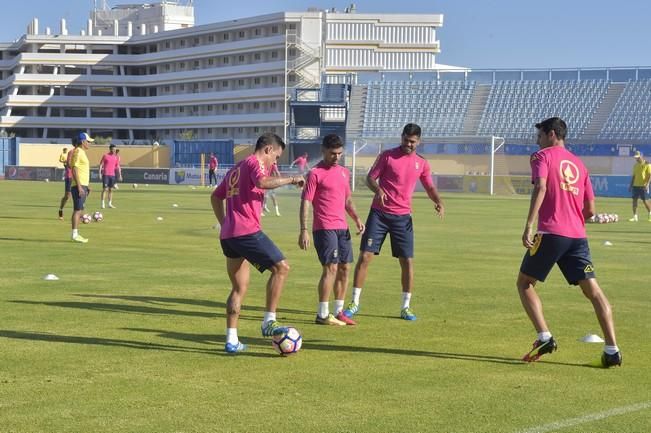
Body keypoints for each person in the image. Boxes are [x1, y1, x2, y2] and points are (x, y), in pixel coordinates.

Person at [518, 117, 621, 368]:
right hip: (577, 237)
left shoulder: (541, 157)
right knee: (594, 292)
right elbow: (590, 209)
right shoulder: (580, 165)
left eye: (540, 135)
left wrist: (529, 224)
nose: (537, 140)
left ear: (552, 134)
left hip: (550, 233)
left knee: (524, 283)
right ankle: (612, 350)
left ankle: (544, 336)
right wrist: (575, 219)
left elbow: (541, 186)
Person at [211, 133, 305, 354]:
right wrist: (292, 179)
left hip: (229, 236)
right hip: (246, 232)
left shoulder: (236, 168)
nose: (276, 162)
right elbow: (262, 182)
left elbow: (216, 197)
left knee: (238, 288)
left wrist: (225, 224)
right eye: (277, 156)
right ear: (268, 150)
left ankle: (231, 340)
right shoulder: (254, 163)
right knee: (282, 268)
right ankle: (268, 322)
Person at [343, 123, 444, 321]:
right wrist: (378, 190)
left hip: (403, 217)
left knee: (406, 261)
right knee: (365, 257)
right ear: (401, 137)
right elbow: (370, 179)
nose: (409, 144)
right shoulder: (387, 156)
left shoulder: (422, 163)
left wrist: (438, 201)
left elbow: (430, 187)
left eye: (413, 142)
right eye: (406, 140)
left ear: (419, 142)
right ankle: (354, 302)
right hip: (379, 215)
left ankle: (405, 307)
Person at [299, 134, 365, 326]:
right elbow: (306, 202)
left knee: (345, 268)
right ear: (323, 151)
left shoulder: (344, 172)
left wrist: (356, 219)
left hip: (342, 227)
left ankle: (339, 311)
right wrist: (304, 229)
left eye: (339, 153)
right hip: (324, 228)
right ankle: (322, 314)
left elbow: (347, 200)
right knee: (331, 268)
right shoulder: (315, 173)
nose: (336, 157)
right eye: (332, 153)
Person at [70, 132, 93, 243]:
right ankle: (74, 234)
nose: (89, 143)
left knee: (80, 210)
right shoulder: (78, 152)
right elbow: (74, 169)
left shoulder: (82, 153)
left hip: (83, 185)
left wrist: (86, 186)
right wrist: (79, 187)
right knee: (77, 210)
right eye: (88, 141)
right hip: (78, 186)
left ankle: (76, 233)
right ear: (83, 142)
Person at [627, 151, 651, 222]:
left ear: (642, 156)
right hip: (635, 186)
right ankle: (635, 217)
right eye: (636, 157)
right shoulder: (635, 165)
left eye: (638, 157)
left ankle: (650, 214)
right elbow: (634, 176)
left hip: (643, 186)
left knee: (645, 201)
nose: (636, 159)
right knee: (634, 201)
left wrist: (647, 184)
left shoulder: (647, 164)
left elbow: (650, 175)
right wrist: (630, 185)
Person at [99, 144, 122, 209]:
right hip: (106, 174)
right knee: (105, 189)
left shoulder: (116, 157)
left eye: (115, 149)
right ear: (110, 149)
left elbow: (118, 166)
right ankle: (102, 204)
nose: (114, 150)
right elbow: (101, 165)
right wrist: (100, 174)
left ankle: (109, 204)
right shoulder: (105, 156)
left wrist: (120, 175)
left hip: (112, 175)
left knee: (111, 190)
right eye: (113, 149)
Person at [57, 143, 75, 220]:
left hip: (78, 177)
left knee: (80, 195)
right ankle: (60, 210)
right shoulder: (70, 153)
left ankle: (79, 214)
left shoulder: (81, 153)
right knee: (67, 196)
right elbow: (67, 163)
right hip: (69, 177)